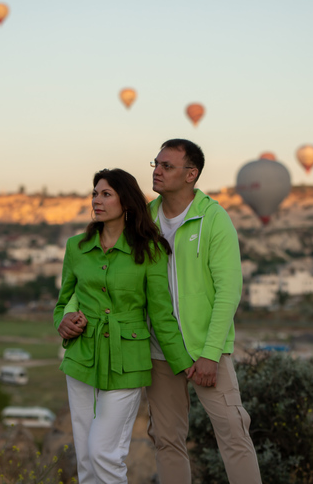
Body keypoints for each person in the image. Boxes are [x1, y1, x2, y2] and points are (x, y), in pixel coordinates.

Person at [54, 168, 193, 484]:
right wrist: (61, 322)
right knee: (86, 459)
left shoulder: (150, 249)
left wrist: (185, 364)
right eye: (95, 193)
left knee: (104, 453)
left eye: (106, 194)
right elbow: (63, 303)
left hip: (127, 360)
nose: (97, 201)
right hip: (81, 358)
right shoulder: (76, 247)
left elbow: (161, 314)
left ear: (127, 202)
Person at [146, 139, 262, 484]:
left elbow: (229, 291)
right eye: (156, 163)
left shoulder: (214, 218)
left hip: (206, 351)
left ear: (190, 174)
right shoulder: (145, 219)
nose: (157, 170)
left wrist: (211, 353)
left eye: (167, 166)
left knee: (233, 435)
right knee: (166, 440)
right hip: (160, 349)